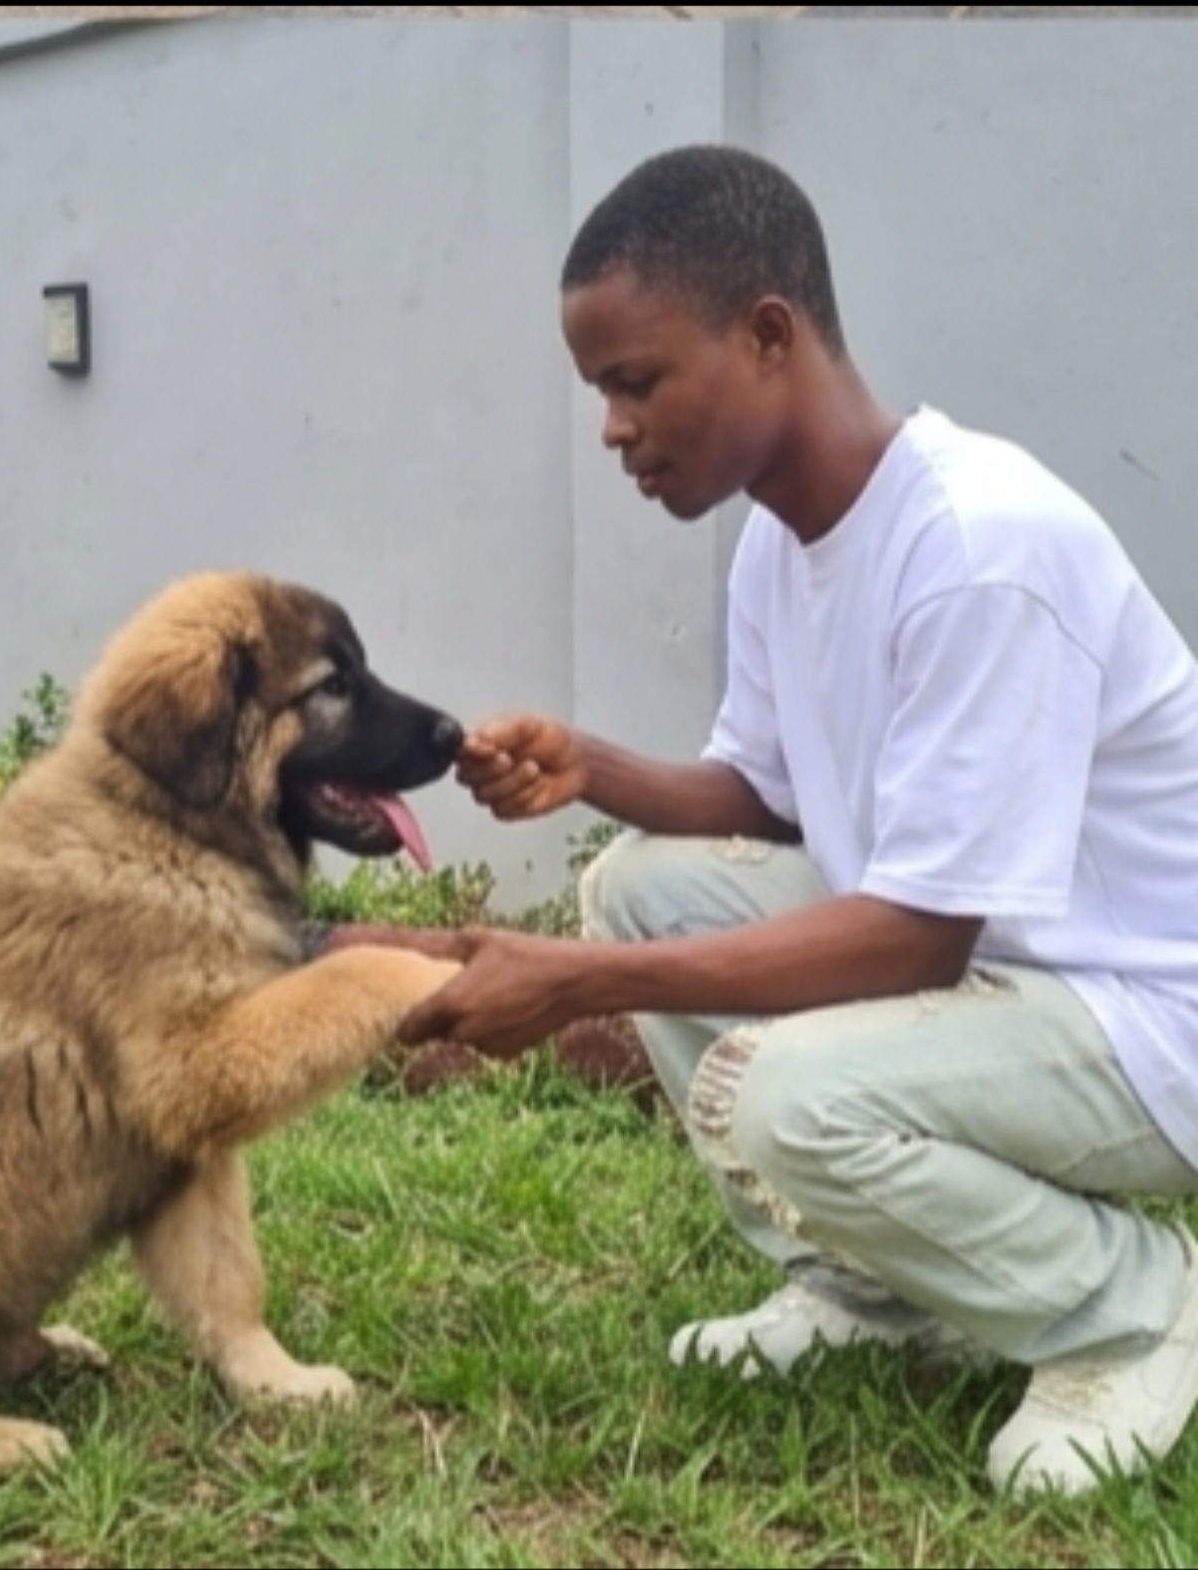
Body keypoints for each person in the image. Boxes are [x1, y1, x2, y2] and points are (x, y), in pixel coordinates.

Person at [390, 144, 1198, 1496]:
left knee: (783, 1098)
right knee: (639, 885)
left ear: (768, 334)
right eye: (602, 394)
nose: (613, 429)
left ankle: (1133, 1308)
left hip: (1148, 1021)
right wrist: (590, 767)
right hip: (1008, 978)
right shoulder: (785, 538)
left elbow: (917, 939)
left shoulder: (980, 547)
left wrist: (578, 983)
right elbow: (763, 798)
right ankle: (875, 1291)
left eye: (636, 382)